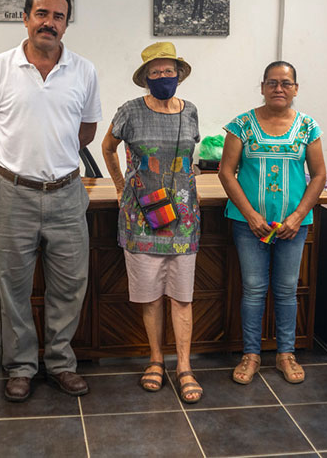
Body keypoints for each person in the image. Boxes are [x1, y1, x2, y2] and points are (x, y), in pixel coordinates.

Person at [0, 0, 101, 403]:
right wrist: (13, 161)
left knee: (70, 285)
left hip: (66, 193)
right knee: (13, 287)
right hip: (13, 195)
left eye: (58, 16)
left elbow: (87, 130)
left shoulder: (84, 71)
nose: (49, 22)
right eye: (42, 14)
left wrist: (55, 159)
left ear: (66, 24)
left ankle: (61, 362)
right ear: (25, 18)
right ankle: (21, 367)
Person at [101, 42, 203, 404]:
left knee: (182, 295)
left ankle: (185, 367)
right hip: (142, 216)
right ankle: (156, 360)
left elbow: (192, 156)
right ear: (145, 78)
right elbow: (107, 146)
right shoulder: (129, 110)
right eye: (155, 72)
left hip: (184, 219)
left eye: (168, 71)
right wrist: (118, 185)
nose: (163, 77)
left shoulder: (190, 111)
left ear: (179, 74)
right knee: (150, 297)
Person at [218, 61, 326, 385]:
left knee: (286, 290)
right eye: (272, 83)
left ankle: (285, 353)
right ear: (262, 86)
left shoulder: (308, 127)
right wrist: (251, 215)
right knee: (252, 289)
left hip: (293, 226)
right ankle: (251, 355)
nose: (279, 88)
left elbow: (319, 175)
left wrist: (297, 216)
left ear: (295, 88)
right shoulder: (242, 125)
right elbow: (226, 171)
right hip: (249, 225)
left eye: (286, 83)